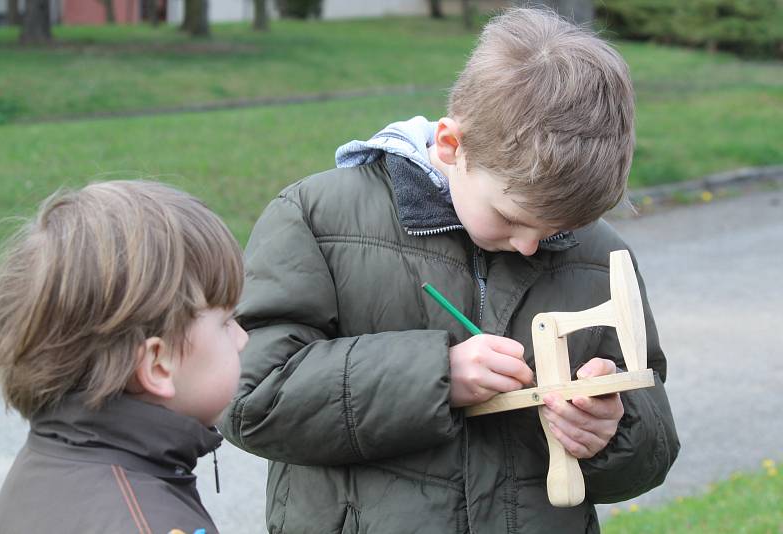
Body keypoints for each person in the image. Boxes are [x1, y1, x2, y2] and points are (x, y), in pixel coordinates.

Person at [220, 7, 679, 533]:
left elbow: (653, 441)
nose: (531, 246)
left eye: (555, 228)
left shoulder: (596, 254)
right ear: (451, 145)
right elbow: (251, 399)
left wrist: (610, 432)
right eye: (510, 218)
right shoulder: (317, 218)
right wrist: (436, 376)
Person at [0, 181, 248, 534]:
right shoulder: (150, 523)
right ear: (158, 364)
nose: (242, 339)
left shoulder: (48, 461)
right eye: (226, 322)